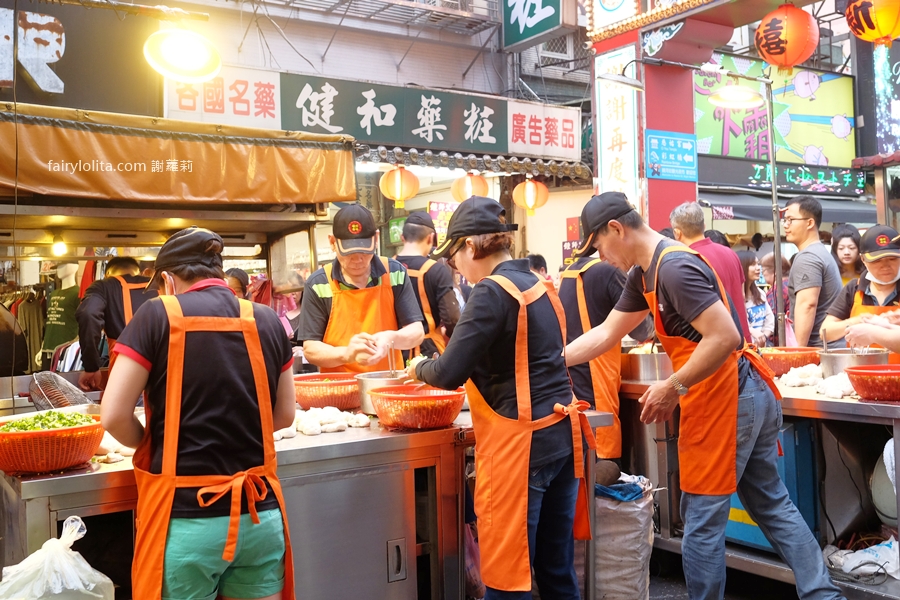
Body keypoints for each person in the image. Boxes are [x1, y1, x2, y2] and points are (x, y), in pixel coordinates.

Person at [565, 193, 844, 600]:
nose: (601, 257)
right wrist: (551, 360)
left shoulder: (674, 268)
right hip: (739, 393)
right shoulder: (642, 274)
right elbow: (607, 333)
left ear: (616, 229)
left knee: (700, 522)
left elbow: (725, 337)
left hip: (729, 397)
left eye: (600, 246)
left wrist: (673, 385)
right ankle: (823, 593)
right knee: (769, 503)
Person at [407, 196, 594, 600]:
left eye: (454, 254)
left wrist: (415, 368)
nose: (454, 265)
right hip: (562, 438)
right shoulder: (537, 283)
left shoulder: (491, 291)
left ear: (471, 246)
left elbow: (447, 372)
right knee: (555, 569)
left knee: (508, 581)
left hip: (521, 451)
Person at [101, 227, 297, 600]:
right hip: (260, 515)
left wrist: (150, 441)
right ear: (219, 274)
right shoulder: (267, 320)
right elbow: (284, 415)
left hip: (188, 520)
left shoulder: (157, 314)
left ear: (166, 280)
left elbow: (112, 415)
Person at [297, 204, 424, 372]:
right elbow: (311, 348)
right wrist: (346, 354)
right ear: (333, 242)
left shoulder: (394, 272)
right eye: (349, 253)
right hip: (338, 391)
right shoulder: (318, 283)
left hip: (387, 387)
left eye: (364, 252)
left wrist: (390, 338)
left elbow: (417, 332)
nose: (358, 260)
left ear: (376, 239)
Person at [558, 250, 653, 465]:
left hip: (570, 381)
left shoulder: (568, 273)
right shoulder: (609, 272)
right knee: (603, 462)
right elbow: (641, 330)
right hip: (595, 384)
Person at [670, 202, 752, 343]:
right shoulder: (731, 253)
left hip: (714, 347)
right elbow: (742, 294)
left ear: (677, 233)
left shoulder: (687, 259)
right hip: (742, 341)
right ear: (704, 226)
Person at [76, 256, 157, 391]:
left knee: (129, 412)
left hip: (126, 375)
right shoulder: (160, 286)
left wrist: (91, 367)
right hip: (165, 374)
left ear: (107, 274)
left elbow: (88, 313)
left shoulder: (104, 286)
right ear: (139, 272)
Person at [820, 225, 900, 344]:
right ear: (863, 259)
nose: (885, 266)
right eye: (877, 260)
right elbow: (825, 332)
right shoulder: (854, 288)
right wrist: (857, 321)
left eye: (892, 259)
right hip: (861, 362)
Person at [395, 211, 460, 357]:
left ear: (402, 238)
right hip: (428, 352)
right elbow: (452, 318)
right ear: (431, 238)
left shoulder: (387, 267)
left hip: (394, 352)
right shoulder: (436, 270)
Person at [783, 196, 843, 348]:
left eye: (790, 220)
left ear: (809, 222)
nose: (785, 225)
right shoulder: (820, 252)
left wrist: (798, 354)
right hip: (828, 347)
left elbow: (807, 305)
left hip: (818, 350)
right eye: (784, 220)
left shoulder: (808, 257)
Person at [737, 251, 774, 347]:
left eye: (758, 264)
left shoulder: (760, 294)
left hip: (762, 348)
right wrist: (752, 332)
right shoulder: (735, 297)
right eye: (753, 265)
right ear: (742, 267)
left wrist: (763, 338)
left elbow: (770, 321)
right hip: (745, 349)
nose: (758, 268)